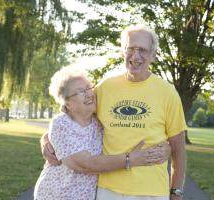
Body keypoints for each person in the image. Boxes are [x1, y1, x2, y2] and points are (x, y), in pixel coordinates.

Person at [42, 24, 187, 200]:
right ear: (122, 52)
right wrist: (46, 138)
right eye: (130, 49)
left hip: (151, 192)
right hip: (107, 190)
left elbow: (178, 150)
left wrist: (176, 192)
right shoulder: (105, 88)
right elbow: (74, 113)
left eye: (142, 50)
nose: (136, 56)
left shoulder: (167, 92)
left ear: (153, 55)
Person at [35, 67, 170, 200]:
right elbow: (84, 164)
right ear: (68, 103)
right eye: (81, 91)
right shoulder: (62, 123)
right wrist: (130, 159)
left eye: (89, 88)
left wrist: (167, 147)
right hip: (56, 195)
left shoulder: (98, 123)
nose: (89, 94)